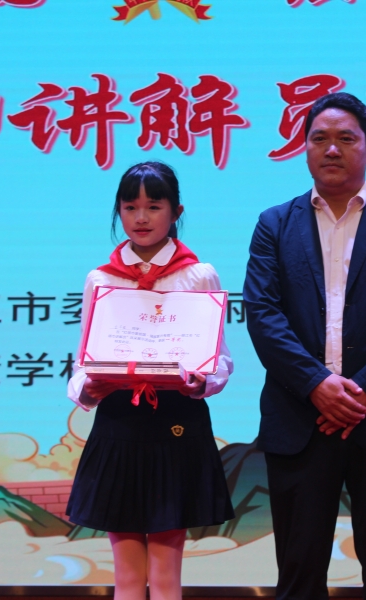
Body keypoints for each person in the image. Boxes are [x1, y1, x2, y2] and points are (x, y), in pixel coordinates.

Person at [243, 93, 366, 600]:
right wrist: (317, 385)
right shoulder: (274, 224)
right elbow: (262, 314)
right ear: (304, 148)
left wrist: (363, 392)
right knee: (299, 576)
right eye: (320, 139)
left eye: (346, 139)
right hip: (299, 420)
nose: (332, 149)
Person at [65, 161, 234, 600]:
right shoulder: (101, 279)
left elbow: (220, 360)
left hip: (177, 422)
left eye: (154, 207)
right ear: (118, 211)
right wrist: (87, 389)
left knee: (164, 575)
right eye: (130, 207)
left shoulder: (199, 274)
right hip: (119, 423)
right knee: (125, 577)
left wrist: (202, 382)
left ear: (176, 211)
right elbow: (83, 361)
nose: (141, 218)